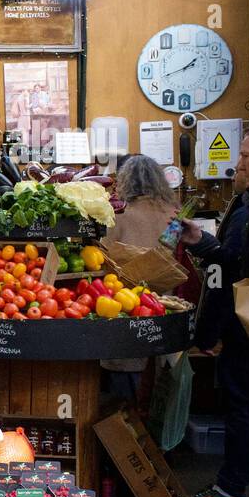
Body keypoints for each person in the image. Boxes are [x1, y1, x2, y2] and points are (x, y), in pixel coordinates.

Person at [180, 124, 249, 497]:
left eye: (248, 156)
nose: (239, 162)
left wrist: (208, 330)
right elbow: (232, 264)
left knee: (243, 405)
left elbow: (228, 276)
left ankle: (232, 489)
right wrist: (201, 243)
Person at [100, 155, 180, 398]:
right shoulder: (174, 214)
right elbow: (174, 251)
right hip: (166, 306)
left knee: (124, 382)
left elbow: (103, 255)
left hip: (128, 306)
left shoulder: (119, 214)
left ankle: (126, 428)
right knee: (157, 381)